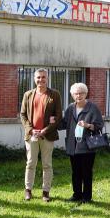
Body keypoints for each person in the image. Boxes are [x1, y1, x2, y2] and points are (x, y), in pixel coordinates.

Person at [20, 68, 62, 202]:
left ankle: (46, 192)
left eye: (43, 77)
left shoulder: (54, 94)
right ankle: (28, 190)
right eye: (38, 77)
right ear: (34, 79)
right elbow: (23, 114)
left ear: (47, 78)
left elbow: (58, 116)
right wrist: (31, 130)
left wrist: (45, 130)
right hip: (31, 135)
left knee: (47, 164)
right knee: (30, 163)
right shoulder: (28, 94)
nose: (41, 80)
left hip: (47, 135)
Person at [59, 83, 104, 203]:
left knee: (86, 172)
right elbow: (63, 124)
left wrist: (88, 125)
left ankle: (87, 197)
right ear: (72, 95)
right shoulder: (70, 108)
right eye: (76, 93)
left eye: (81, 93)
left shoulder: (92, 108)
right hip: (72, 145)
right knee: (75, 172)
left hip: (87, 146)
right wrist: (53, 121)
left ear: (86, 93)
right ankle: (77, 194)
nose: (78, 95)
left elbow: (100, 125)